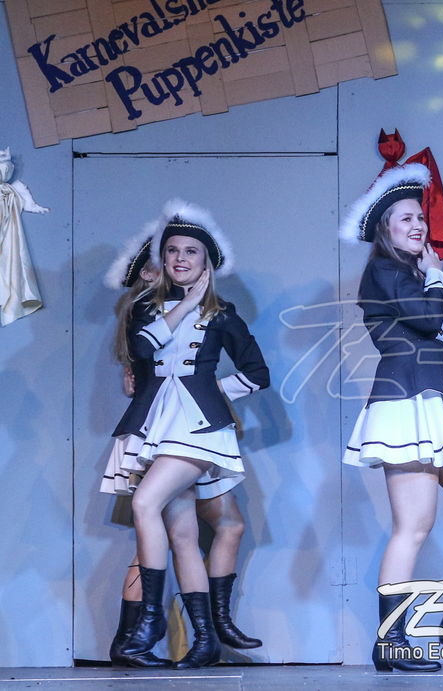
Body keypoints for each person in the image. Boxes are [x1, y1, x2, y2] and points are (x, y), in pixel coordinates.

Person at [340, 163, 443, 672]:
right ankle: (390, 640)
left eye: (420, 217)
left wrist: (431, 276)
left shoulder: (412, 274)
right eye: (406, 219)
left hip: (440, 402)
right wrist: (437, 276)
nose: (417, 226)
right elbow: (430, 319)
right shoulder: (385, 271)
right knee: (414, 526)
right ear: (385, 230)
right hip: (406, 404)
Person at [108, 200, 270, 669]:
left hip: (197, 428)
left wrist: (211, 392)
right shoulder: (145, 309)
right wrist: (184, 306)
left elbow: (258, 373)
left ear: (206, 263)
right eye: (173, 250)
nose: (181, 258)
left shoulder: (222, 315)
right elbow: (142, 349)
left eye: (191, 252)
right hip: (154, 426)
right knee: (181, 532)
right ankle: (204, 639)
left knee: (146, 504)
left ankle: (151, 623)